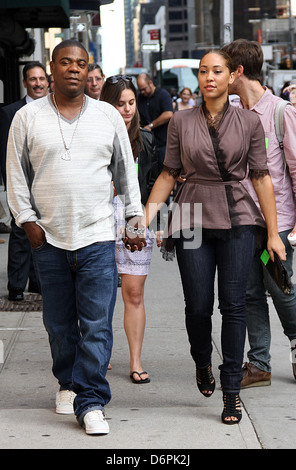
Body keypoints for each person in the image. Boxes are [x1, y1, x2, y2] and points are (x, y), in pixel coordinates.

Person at [6, 39, 145, 435]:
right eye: (65, 62)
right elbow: (15, 173)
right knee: (59, 324)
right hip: (48, 238)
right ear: (52, 68)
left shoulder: (107, 116)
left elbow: (125, 172)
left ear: (88, 71)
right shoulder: (28, 118)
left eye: (80, 64)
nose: (73, 69)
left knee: (98, 323)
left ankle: (92, 400)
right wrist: (27, 220)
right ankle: (68, 382)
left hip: (98, 235)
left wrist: (134, 217)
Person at [142, 49, 285, 425]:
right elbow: (169, 173)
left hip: (238, 213)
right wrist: (143, 218)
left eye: (216, 71)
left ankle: (231, 392)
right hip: (190, 213)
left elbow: (260, 176)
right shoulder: (180, 121)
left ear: (230, 76)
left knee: (234, 304)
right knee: (198, 305)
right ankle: (203, 359)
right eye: (203, 71)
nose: (209, 77)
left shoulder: (250, 122)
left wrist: (273, 233)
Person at [223, 39, 296, 388]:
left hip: (276, 221)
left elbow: (295, 169)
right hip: (241, 222)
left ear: (237, 72)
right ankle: (259, 363)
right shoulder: (231, 112)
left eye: (225, 68)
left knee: (279, 285)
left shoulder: (281, 112)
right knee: (249, 291)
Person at [100, 75, 158, 384]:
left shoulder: (145, 141)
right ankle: (100, 352)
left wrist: (143, 222)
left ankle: (135, 361)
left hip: (136, 221)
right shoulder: (95, 137)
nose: (127, 110)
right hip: (98, 221)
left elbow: (154, 184)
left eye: (131, 103)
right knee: (100, 291)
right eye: (120, 104)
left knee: (133, 293)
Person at [0, 61, 48, 300]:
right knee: (21, 232)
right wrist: (11, 186)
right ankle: (16, 287)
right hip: (20, 181)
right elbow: (3, 153)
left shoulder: (56, 109)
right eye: (33, 79)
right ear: (24, 82)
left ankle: (38, 283)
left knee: (45, 231)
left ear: (47, 81)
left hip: (49, 181)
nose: (38, 83)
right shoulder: (10, 113)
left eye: (41, 79)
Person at [137, 73, 173, 173]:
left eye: (144, 89)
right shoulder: (140, 98)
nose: (142, 92)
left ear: (151, 83)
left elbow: (169, 114)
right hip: (147, 146)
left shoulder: (163, 94)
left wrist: (150, 126)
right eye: (140, 90)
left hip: (163, 144)